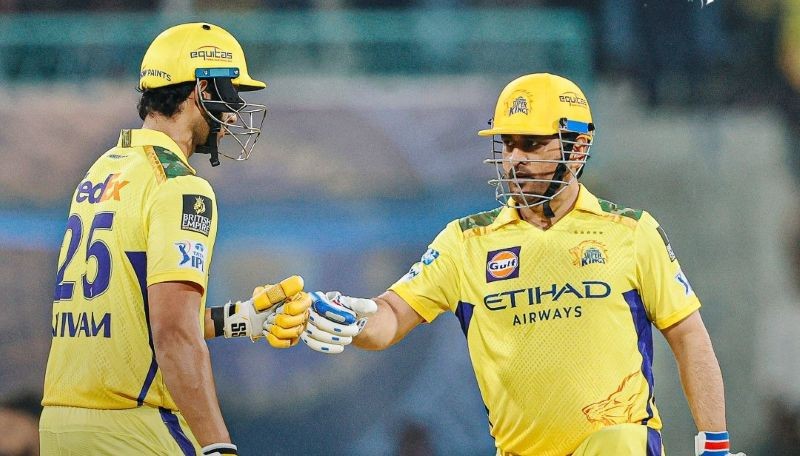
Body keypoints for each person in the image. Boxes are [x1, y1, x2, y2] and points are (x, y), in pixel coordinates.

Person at [301, 73, 744, 456]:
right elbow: (392, 317)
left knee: (617, 440)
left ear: (577, 149)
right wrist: (353, 319)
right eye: (508, 144)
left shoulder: (631, 232)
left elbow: (689, 336)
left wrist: (715, 445)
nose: (514, 159)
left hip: (622, 442)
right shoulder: (465, 243)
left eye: (531, 144)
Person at [39, 23, 310, 456]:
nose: (234, 113)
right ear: (202, 88)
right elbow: (173, 335)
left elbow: (135, 319)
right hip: (133, 426)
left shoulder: (103, 169)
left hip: (61, 425)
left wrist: (240, 318)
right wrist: (218, 445)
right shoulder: (180, 186)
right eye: (231, 93)